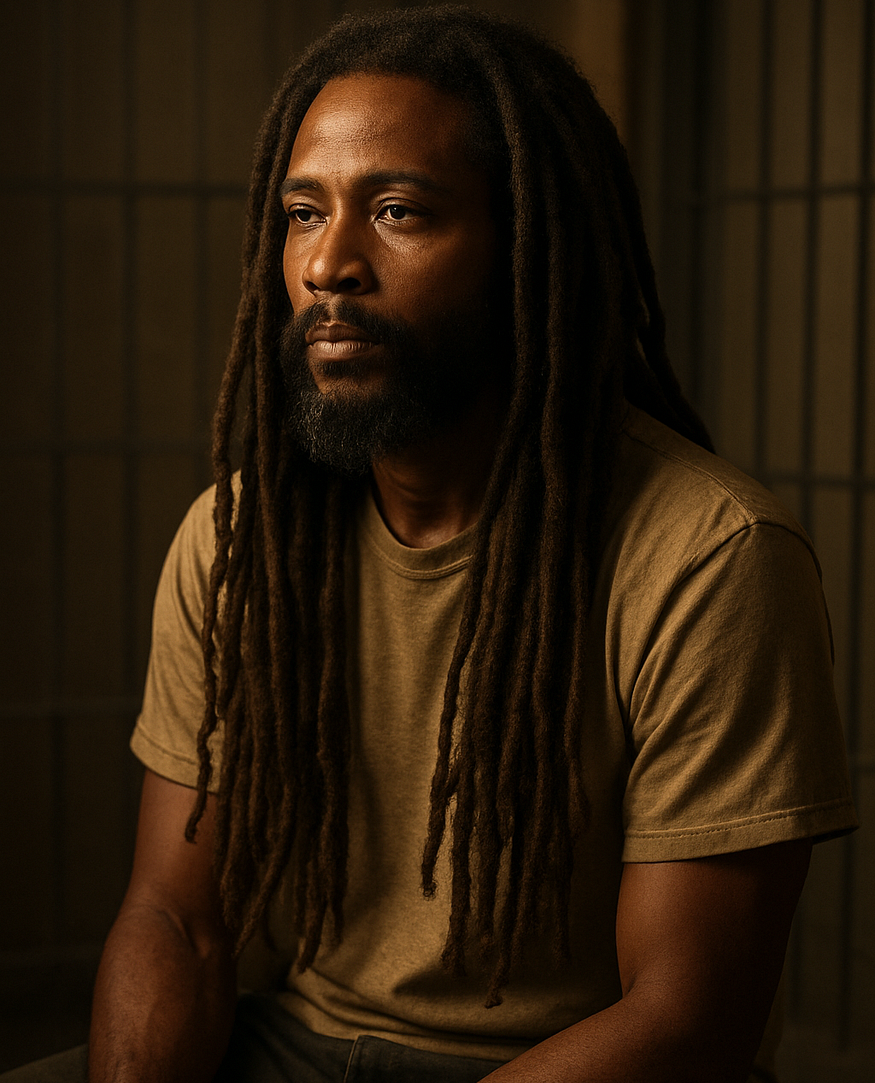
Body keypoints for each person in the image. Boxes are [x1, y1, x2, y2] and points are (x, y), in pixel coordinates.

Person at [6, 5, 857, 1082]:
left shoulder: (710, 559)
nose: (328, 267)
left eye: (398, 211)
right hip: (296, 1045)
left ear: (526, 248)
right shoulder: (238, 541)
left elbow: (686, 1024)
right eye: (302, 214)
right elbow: (178, 922)